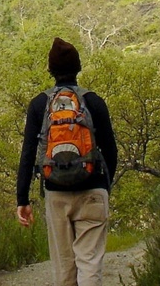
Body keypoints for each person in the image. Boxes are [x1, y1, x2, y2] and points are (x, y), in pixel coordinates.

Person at [16, 38, 118, 286]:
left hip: (56, 193)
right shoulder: (93, 101)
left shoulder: (40, 104)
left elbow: (28, 154)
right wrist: (104, 185)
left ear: (50, 70)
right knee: (90, 263)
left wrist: (22, 200)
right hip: (93, 189)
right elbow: (111, 150)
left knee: (64, 268)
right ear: (78, 67)